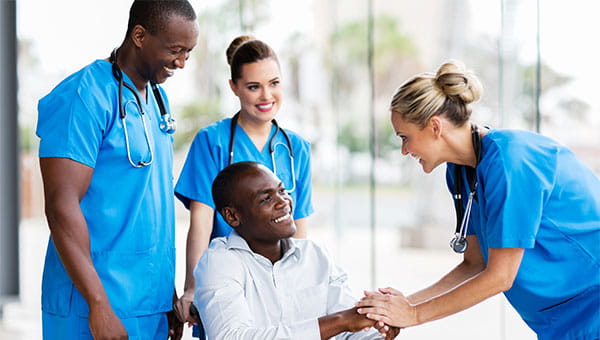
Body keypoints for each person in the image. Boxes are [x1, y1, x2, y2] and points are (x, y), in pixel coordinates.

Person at [355, 60, 600, 340]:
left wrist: (413, 315)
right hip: (560, 320)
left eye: (405, 137)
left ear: (435, 126)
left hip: (592, 305)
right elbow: (474, 263)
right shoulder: (459, 172)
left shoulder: (512, 160)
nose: (404, 150)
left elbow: (500, 276)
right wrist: (403, 306)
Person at [36, 1, 199, 339]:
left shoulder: (156, 99)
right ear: (139, 35)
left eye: (188, 52)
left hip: (148, 304)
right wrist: (98, 304)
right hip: (91, 306)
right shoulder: (84, 95)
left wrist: (163, 293)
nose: (182, 62)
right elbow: (61, 204)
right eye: (175, 50)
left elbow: (147, 206)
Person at [173, 35, 314, 335]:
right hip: (227, 283)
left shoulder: (296, 148)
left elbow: (299, 227)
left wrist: (304, 289)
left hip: (279, 287)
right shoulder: (212, 141)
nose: (266, 95)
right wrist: (192, 288)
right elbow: (201, 222)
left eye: (274, 83)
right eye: (254, 86)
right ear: (234, 87)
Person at [191, 161, 398, 339]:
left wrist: (379, 330)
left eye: (282, 191)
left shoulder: (315, 255)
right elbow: (232, 337)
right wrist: (340, 321)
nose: (283, 202)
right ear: (232, 217)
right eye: (266, 198)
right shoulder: (219, 263)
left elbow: (349, 329)